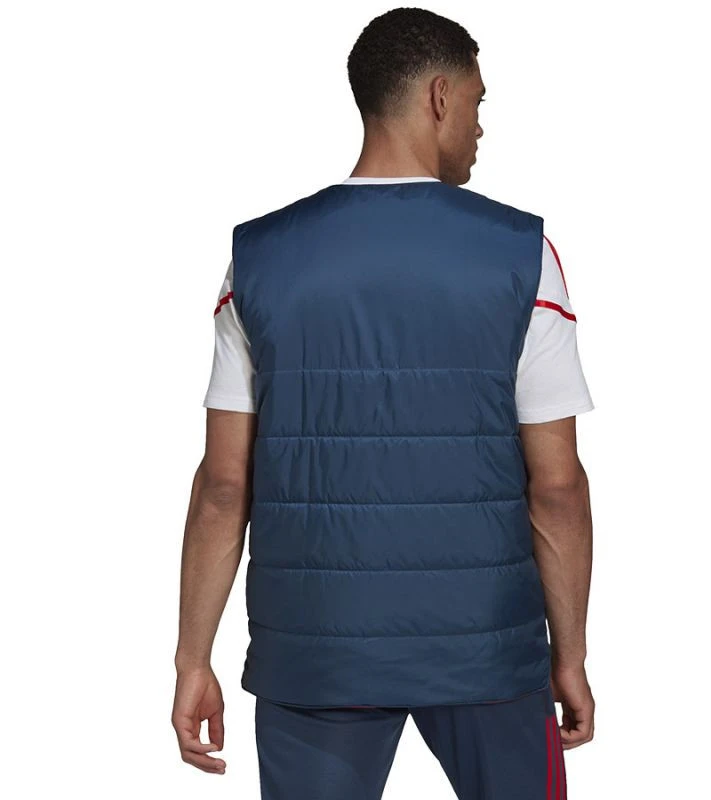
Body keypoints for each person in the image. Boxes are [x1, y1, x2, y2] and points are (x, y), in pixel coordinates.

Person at [172, 7, 595, 799]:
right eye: (477, 101)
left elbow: (224, 485)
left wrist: (192, 658)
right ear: (439, 96)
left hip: (316, 651)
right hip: (487, 652)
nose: (480, 126)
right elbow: (558, 486)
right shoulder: (522, 255)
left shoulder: (257, 261)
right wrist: (568, 656)